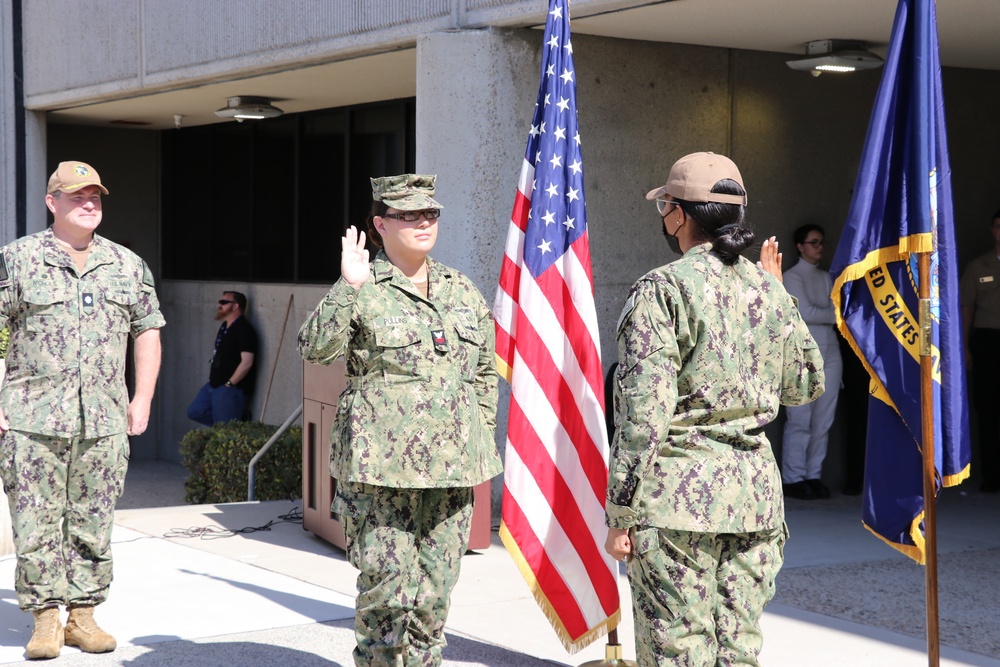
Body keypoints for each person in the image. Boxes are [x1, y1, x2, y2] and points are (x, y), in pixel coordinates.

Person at [604, 152, 824, 666]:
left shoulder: (663, 289)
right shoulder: (767, 290)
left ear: (679, 215)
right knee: (738, 652)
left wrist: (621, 511)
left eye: (665, 208)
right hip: (754, 502)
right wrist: (780, 298)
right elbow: (806, 383)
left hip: (677, 501)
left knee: (678, 654)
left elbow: (642, 414)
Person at [297, 173, 501, 666]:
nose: (423, 223)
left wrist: (480, 441)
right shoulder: (363, 287)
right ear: (380, 225)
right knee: (386, 597)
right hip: (381, 474)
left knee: (434, 596)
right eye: (408, 215)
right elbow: (316, 347)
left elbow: (482, 374)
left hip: (451, 473)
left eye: (430, 214)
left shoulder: (460, 288)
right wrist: (347, 285)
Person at [0, 161, 164, 659]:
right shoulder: (17, 259)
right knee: (35, 523)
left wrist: (143, 398)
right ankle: (46, 619)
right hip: (31, 419)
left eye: (94, 195)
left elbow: (148, 331)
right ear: (53, 203)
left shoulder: (126, 264)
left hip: (104, 420)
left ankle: (84, 616)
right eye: (76, 196)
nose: (89, 203)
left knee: (93, 522)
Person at [779, 224, 843, 500]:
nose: (819, 247)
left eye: (822, 242)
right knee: (800, 419)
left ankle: (813, 475)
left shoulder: (826, 276)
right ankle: (793, 478)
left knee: (823, 421)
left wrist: (831, 314)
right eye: (814, 242)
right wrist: (833, 315)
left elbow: (839, 312)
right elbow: (804, 312)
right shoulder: (791, 276)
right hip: (802, 352)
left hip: (830, 351)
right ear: (800, 246)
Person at [960, 208, 1000, 493]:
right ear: (992, 229)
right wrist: (963, 347)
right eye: (998, 226)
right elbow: (966, 309)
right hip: (989, 342)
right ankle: (992, 474)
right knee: (988, 410)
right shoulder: (979, 266)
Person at [186, 291, 258, 425]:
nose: (220, 305)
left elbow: (247, 362)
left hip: (230, 389)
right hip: (214, 384)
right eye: (220, 302)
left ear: (235, 306)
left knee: (224, 430)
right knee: (195, 411)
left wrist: (230, 384)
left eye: (224, 302)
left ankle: (236, 423)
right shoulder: (225, 326)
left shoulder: (244, 329)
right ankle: (238, 421)